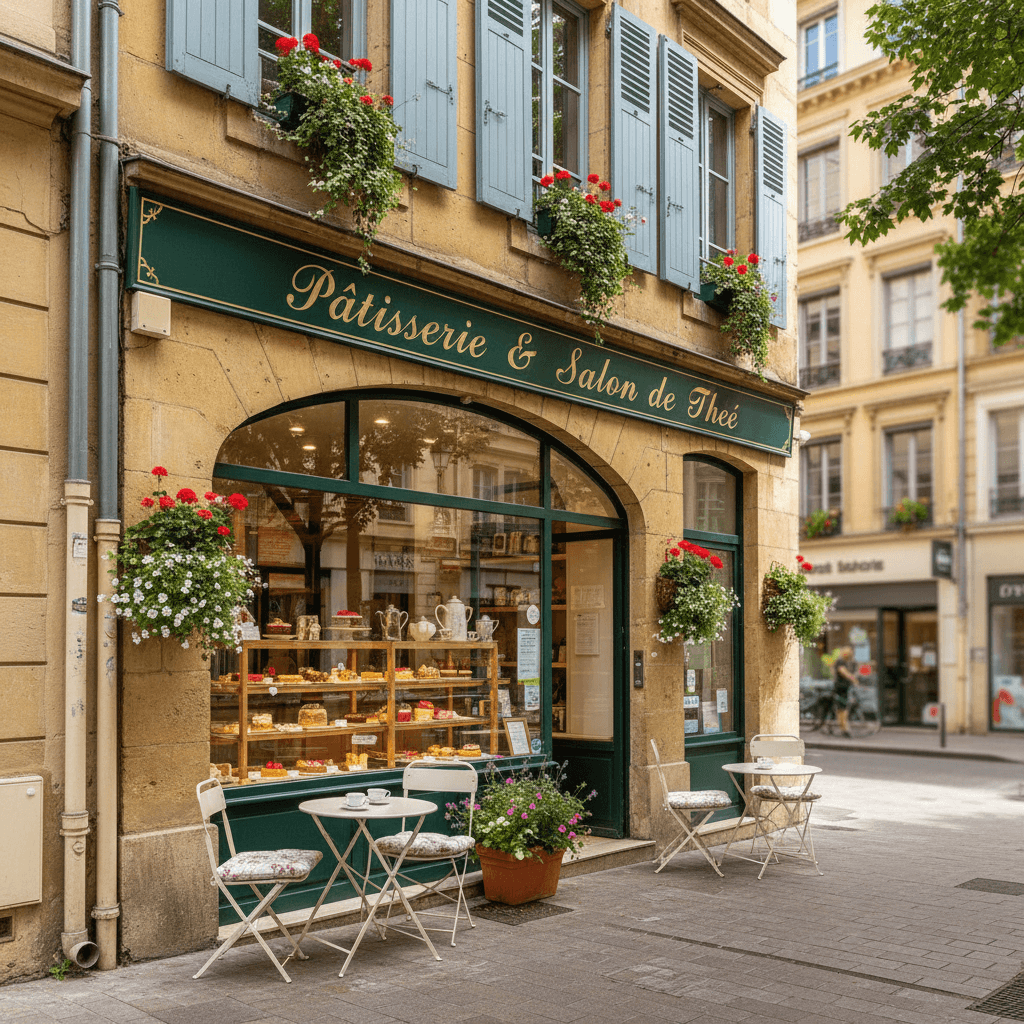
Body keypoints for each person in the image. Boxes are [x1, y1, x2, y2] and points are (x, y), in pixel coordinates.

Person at [832, 645, 858, 736]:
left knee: (842, 708)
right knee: (843, 708)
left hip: (845, 687)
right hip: (840, 688)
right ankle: (844, 728)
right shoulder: (840, 662)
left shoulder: (848, 662)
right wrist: (853, 679)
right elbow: (843, 672)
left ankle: (843, 727)